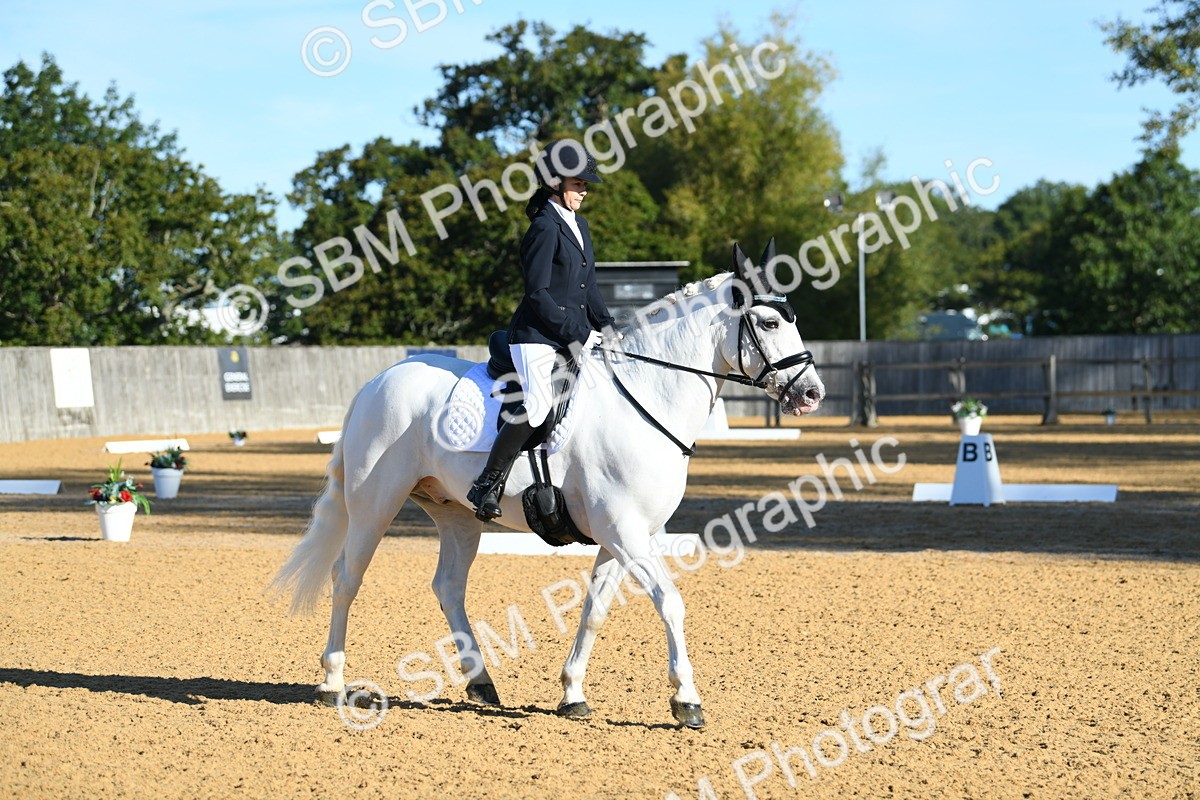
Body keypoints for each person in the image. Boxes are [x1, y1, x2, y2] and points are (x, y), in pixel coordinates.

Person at [467, 139, 616, 521]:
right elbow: (537, 294)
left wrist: (608, 325)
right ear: (554, 183)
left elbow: (589, 286)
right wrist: (578, 332)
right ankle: (486, 483)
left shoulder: (579, 224)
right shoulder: (544, 227)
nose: (584, 190)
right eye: (578, 183)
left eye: (585, 184)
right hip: (535, 336)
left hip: (569, 333)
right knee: (537, 405)